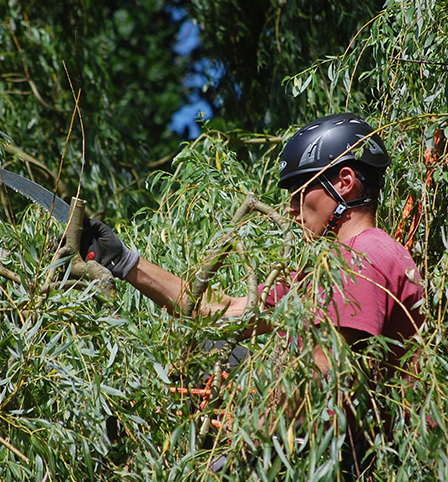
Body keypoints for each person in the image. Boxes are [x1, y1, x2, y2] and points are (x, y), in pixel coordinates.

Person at [82, 113, 424, 476]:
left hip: (370, 463)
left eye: (299, 191)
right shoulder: (325, 268)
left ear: (344, 182)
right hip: (330, 455)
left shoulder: (365, 256)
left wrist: (246, 445)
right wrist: (124, 261)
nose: (290, 209)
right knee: (213, 350)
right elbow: (222, 312)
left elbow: (322, 369)